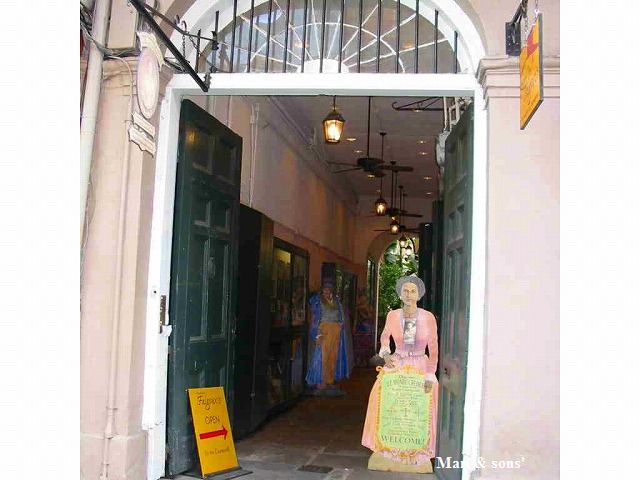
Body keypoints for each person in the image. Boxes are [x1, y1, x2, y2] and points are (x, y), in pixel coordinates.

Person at [361, 275, 439, 468]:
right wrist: (386, 354)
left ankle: (418, 453)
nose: (409, 295)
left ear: (419, 295)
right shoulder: (393, 315)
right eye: (405, 291)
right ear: (400, 294)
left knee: (421, 405)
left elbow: (434, 349)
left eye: (413, 291)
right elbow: (385, 337)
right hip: (398, 362)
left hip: (420, 364)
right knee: (384, 397)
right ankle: (388, 449)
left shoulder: (428, 317)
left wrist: (430, 374)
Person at [306, 281, 349, 392]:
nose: (327, 291)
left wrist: (340, 325)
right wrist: (317, 333)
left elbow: (341, 316)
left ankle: (329, 379)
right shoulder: (317, 301)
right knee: (322, 356)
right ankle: (320, 381)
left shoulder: (336, 301)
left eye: (328, 289)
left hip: (335, 330)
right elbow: (314, 318)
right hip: (324, 329)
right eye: (325, 289)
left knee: (333, 356)